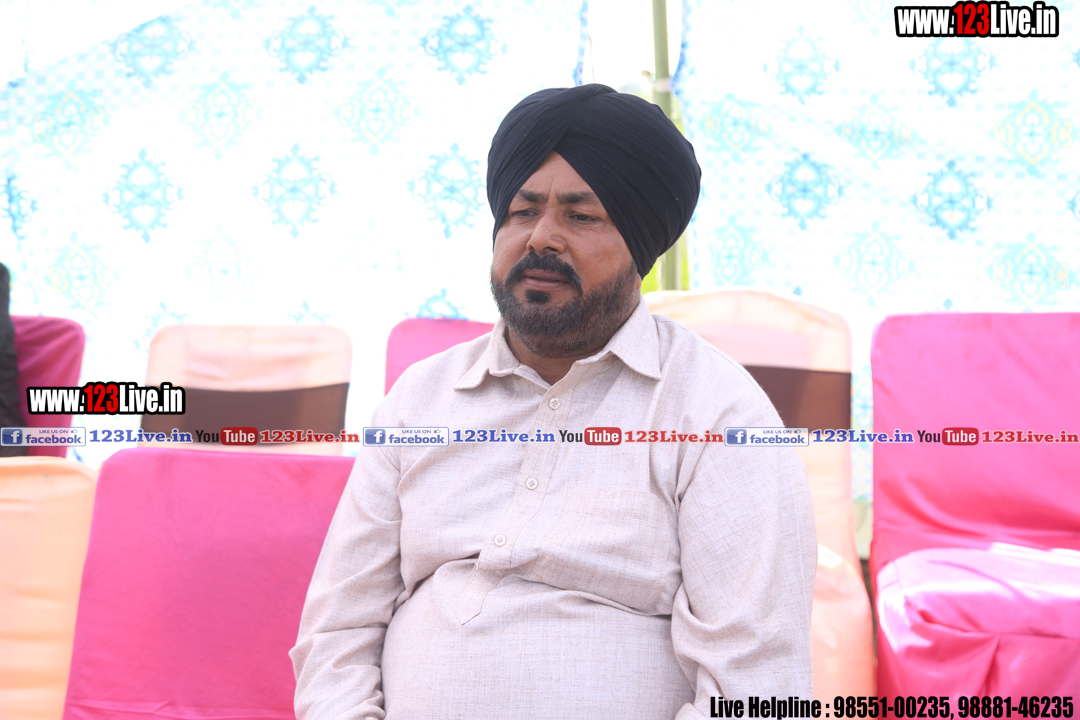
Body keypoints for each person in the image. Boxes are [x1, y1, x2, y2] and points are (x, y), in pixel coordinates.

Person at [291, 84, 816, 720]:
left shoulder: (718, 414)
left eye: (581, 216)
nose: (542, 237)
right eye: (523, 211)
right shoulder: (420, 401)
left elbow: (757, 684)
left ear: (640, 246)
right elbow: (337, 633)